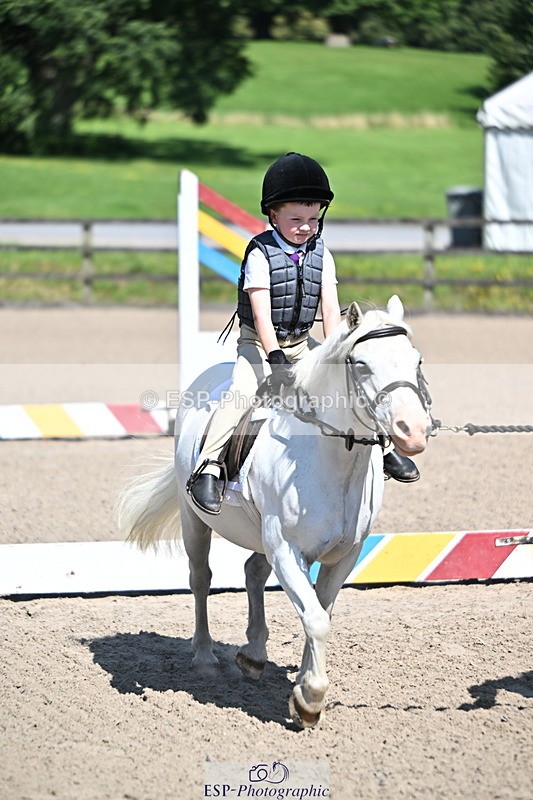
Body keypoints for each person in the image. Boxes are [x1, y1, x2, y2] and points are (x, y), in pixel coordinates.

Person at [187, 152, 418, 515]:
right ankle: (208, 466)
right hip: (258, 345)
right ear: (273, 215)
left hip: (302, 343)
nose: (305, 227)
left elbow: (331, 310)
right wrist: (275, 359)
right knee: (242, 394)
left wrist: (337, 353)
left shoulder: (322, 254)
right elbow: (261, 315)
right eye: (295, 219)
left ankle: (385, 447)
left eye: (313, 219)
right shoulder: (260, 255)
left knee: (351, 386)